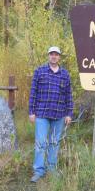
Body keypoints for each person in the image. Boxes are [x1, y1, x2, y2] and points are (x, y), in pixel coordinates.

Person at [28, 46, 73, 182]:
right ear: (48, 56)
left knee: (54, 143)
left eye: (56, 54)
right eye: (51, 54)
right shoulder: (39, 71)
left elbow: (69, 96)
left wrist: (69, 114)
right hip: (41, 114)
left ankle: (51, 168)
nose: (54, 56)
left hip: (59, 114)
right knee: (41, 143)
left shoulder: (65, 74)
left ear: (59, 57)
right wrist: (31, 112)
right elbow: (33, 93)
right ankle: (38, 171)